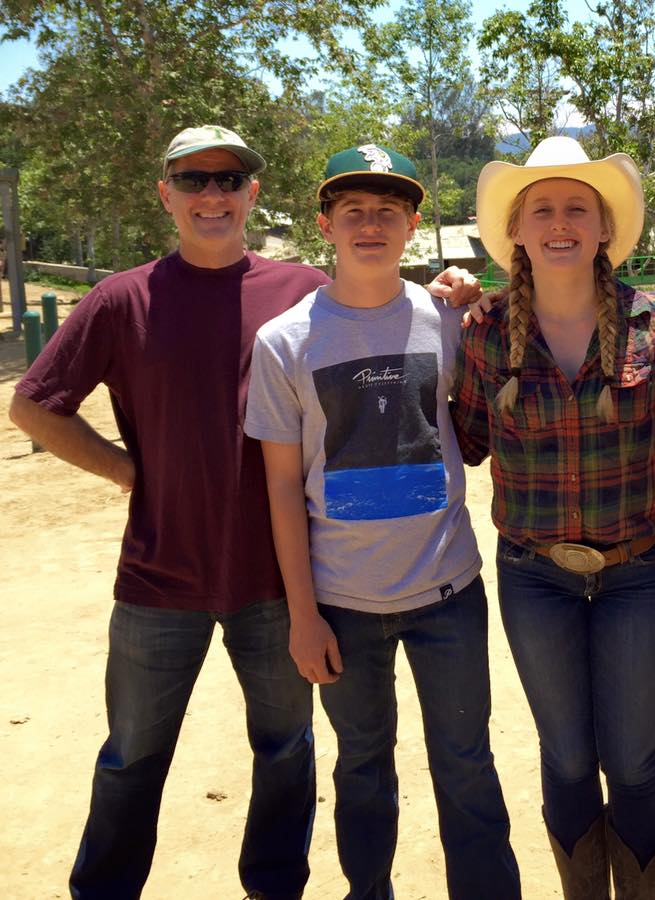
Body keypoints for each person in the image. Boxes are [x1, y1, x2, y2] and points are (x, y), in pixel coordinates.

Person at [9, 125, 480, 900]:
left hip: (274, 579)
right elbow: (35, 409)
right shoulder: (123, 297)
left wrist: (456, 293)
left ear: (252, 195)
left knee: (286, 749)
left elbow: (374, 304)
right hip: (158, 576)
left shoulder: (296, 288)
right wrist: (130, 472)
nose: (213, 195)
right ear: (166, 194)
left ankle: (274, 888)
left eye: (229, 181)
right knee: (132, 754)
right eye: (193, 181)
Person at [243, 144, 521, 900]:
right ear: (325, 224)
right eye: (355, 211)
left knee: (466, 762)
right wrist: (304, 615)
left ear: (412, 224)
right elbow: (278, 488)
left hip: (448, 596)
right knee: (362, 768)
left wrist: (468, 292)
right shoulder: (285, 342)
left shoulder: (445, 319)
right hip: (343, 608)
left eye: (389, 212)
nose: (372, 225)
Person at [452, 136, 655, 899]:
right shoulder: (483, 332)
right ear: (517, 230)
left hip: (641, 573)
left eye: (577, 207)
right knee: (563, 755)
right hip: (535, 577)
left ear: (604, 229)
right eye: (542, 209)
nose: (561, 222)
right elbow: (465, 442)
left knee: (634, 758)